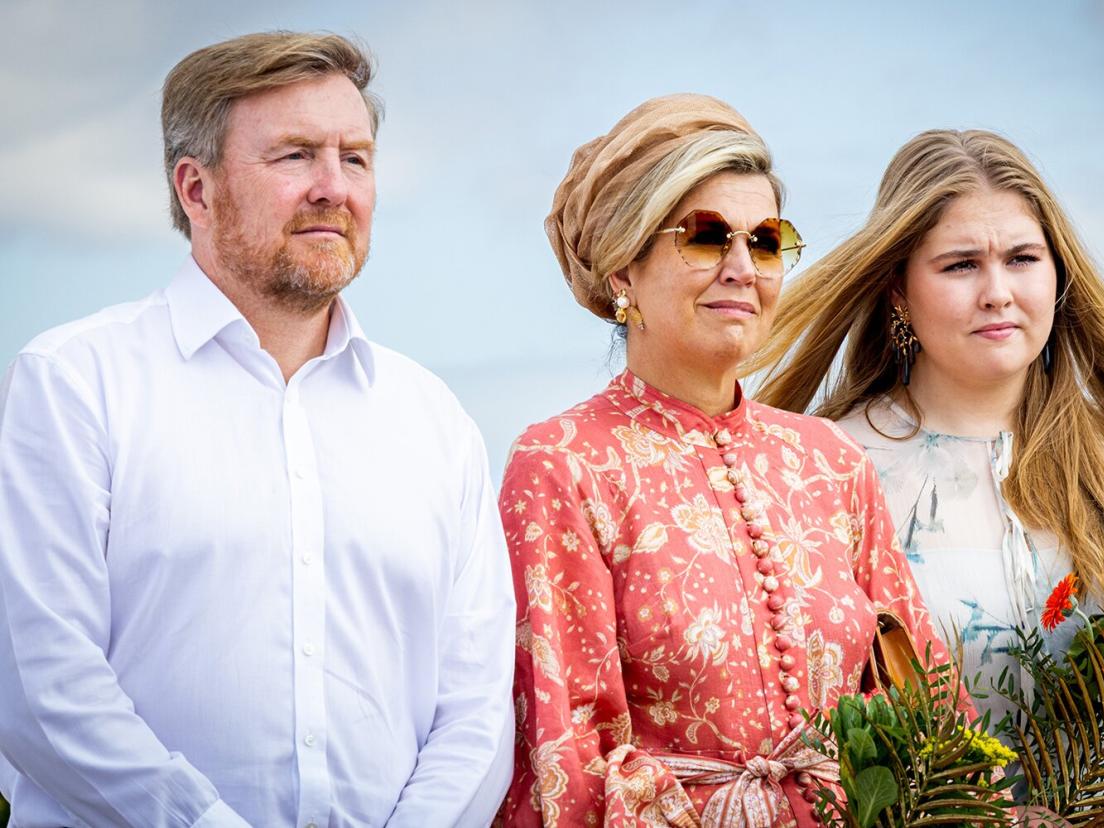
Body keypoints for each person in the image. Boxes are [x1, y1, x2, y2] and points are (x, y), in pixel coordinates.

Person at [0, 32, 515, 827]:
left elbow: (477, 710)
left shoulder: (435, 421)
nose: (333, 188)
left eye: (357, 158)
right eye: (295, 156)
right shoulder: (74, 383)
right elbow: (40, 685)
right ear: (195, 190)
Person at [750, 128, 1104, 827]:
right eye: (959, 265)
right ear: (898, 287)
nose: (998, 292)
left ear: (1057, 274)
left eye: (1022, 258)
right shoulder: (814, 472)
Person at [497, 94, 959, 826]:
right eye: (707, 238)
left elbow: (927, 708)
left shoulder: (830, 462)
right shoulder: (563, 463)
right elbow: (566, 748)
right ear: (623, 269)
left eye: (767, 241)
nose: (743, 267)